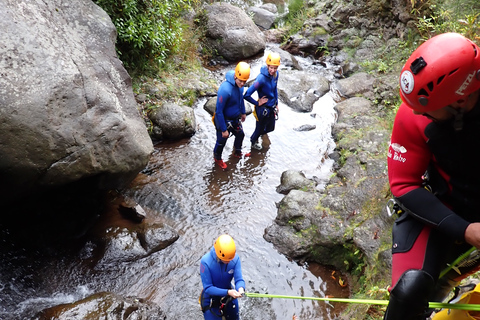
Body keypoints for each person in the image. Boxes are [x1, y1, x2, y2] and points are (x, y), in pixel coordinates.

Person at [384, 32, 480, 320]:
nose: (415, 114)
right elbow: (403, 184)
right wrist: (465, 230)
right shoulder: (413, 115)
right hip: (446, 204)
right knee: (408, 291)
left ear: (459, 101)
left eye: (426, 110)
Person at [213, 62, 251, 169]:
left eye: (245, 81)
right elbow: (219, 111)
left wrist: (243, 112)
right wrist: (224, 129)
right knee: (221, 141)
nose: (242, 83)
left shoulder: (240, 86)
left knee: (240, 135)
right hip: (223, 120)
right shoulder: (225, 90)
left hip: (235, 119)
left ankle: (237, 152)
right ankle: (217, 158)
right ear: (235, 76)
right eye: (240, 81)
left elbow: (240, 99)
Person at [199, 234, 245, 320]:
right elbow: (208, 288)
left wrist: (241, 288)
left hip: (228, 295)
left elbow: (239, 279)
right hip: (210, 300)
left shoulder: (235, 259)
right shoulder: (206, 262)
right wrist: (228, 292)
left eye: (230, 260)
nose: (228, 262)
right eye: (226, 260)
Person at [244, 52, 280, 151]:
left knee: (270, 128)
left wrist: (276, 103)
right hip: (263, 109)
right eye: (271, 68)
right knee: (259, 129)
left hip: (271, 107)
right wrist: (257, 103)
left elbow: (275, 89)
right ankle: (253, 141)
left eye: (275, 68)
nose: (273, 70)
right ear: (267, 66)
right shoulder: (261, 79)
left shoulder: (275, 75)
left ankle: (261, 134)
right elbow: (246, 95)